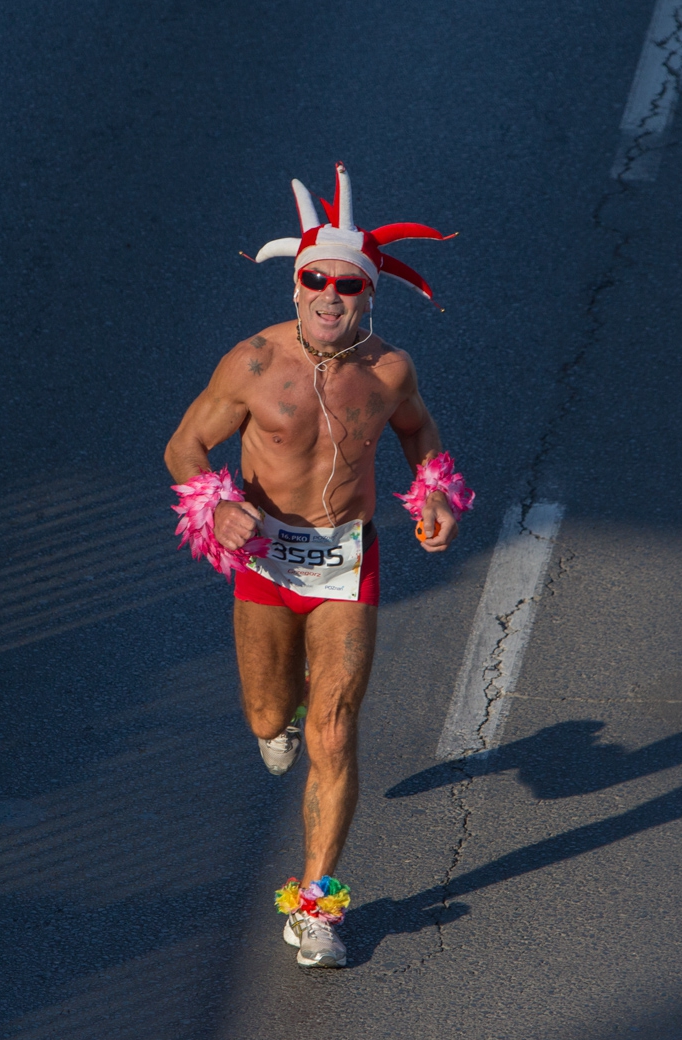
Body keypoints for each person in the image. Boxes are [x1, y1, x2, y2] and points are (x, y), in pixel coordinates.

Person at [163, 163, 472, 967]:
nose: (330, 294)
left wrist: (432, 495)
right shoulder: (254, 364)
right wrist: (215, 501)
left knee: (336, 732)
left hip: (345, 564)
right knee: (270, 720)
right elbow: (183, 444)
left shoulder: (389, 371)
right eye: (315, 280)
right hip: (265, 561)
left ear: (367, 293)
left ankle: (316, 908)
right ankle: (280, 716)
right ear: (294, 286)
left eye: (346, 283)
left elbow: (419, 433)